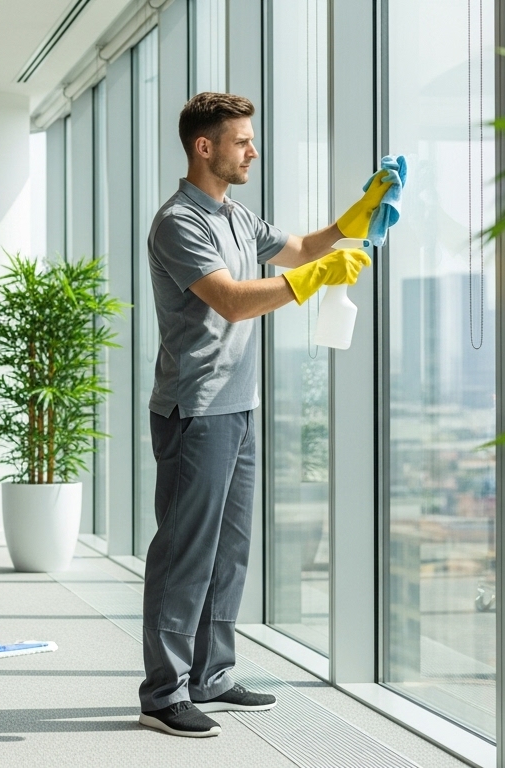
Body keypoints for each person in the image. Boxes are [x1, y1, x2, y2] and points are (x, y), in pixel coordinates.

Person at [137, 92, 384, 738]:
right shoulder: (177, 223)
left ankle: (211, 674)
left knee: (230, 552)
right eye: (242, 140)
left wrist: (354, 219)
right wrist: (312, 281)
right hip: (195, 409)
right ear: (204, 147)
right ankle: (164, 692)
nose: (253, 149)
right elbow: (231, 301)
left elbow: (302, 248)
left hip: (238, 405)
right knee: (184, 554)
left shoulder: (237, 217)